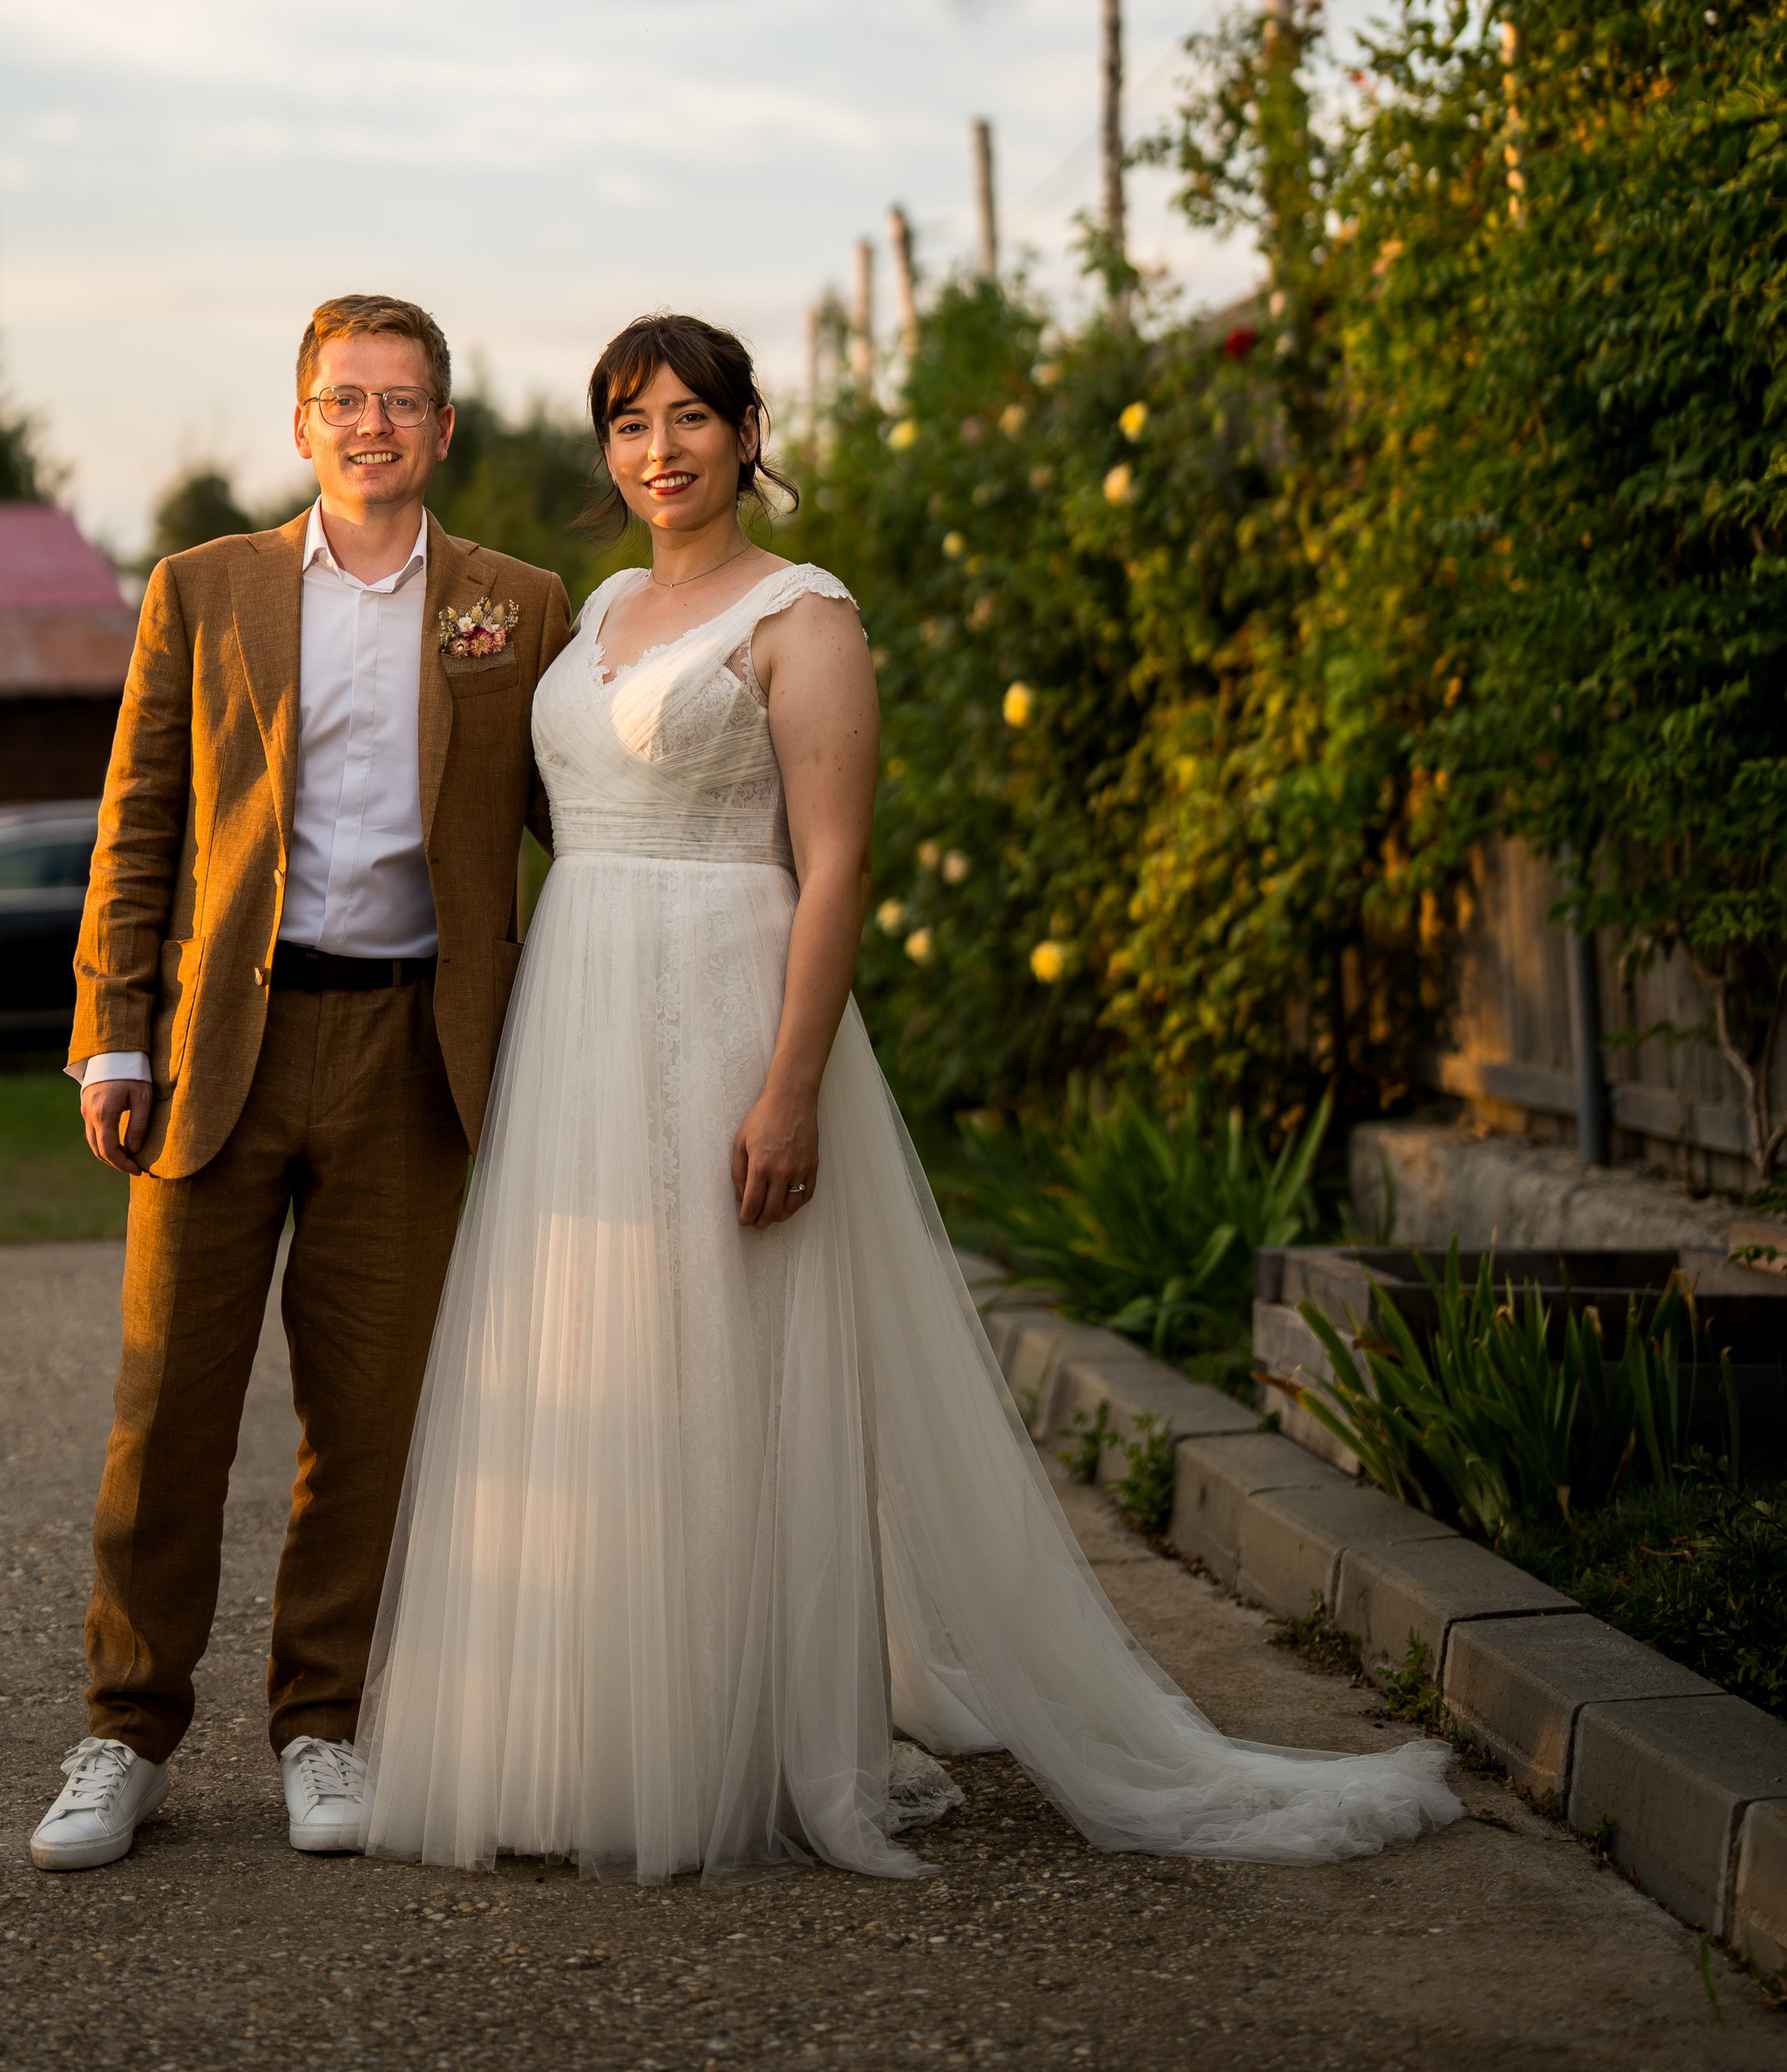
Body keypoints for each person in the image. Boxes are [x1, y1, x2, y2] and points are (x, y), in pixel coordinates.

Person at [347, 313, 1462, 1883]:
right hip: (581, 1019)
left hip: (729, 1007)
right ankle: (593, 1727)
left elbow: (838, 863)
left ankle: (740, 1736)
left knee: (730, 1369)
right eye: (627, 422)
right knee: (603, 1351)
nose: (657, 449)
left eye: (688, 417)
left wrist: (789, 1084)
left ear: (746, 431)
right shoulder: (592, 608)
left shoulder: (807, 617)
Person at [30, 294, 570, 1872]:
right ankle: (125, 1729)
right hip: (220, 1055)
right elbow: (139, 816)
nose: (372, 423)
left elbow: (577, 809)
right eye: (345, 396)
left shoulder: (517, 606)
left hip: (413, 1055)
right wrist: (113, 1028)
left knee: (370, 1415)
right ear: (302, 420)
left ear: (444, 428)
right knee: (167, 1404)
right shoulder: (204, 589)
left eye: (403, 399)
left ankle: (322, 1724)